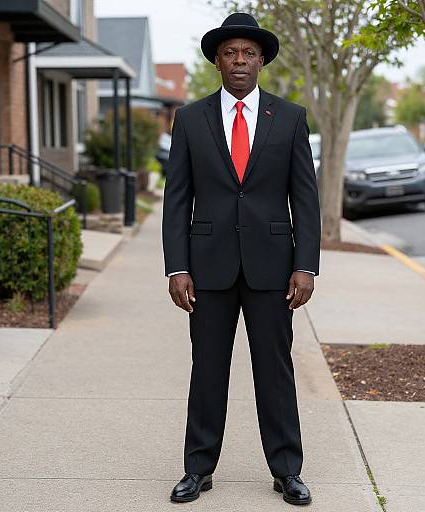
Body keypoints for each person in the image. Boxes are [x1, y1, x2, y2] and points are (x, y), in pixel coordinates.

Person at [162, 12, 321, 506]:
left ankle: (286, 470)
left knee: (274, 371)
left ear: (261, 61)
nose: (239, 60)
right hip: (207, 267)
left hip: (273, 267)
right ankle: (198, 469)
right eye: (230, 52)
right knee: (207, 369)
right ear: (216, 60)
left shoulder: (290, 117)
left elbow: (305, 197)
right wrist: (177, 266)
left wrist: (305, 264)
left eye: (248, 53)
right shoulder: (189, 118)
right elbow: (176, 199)